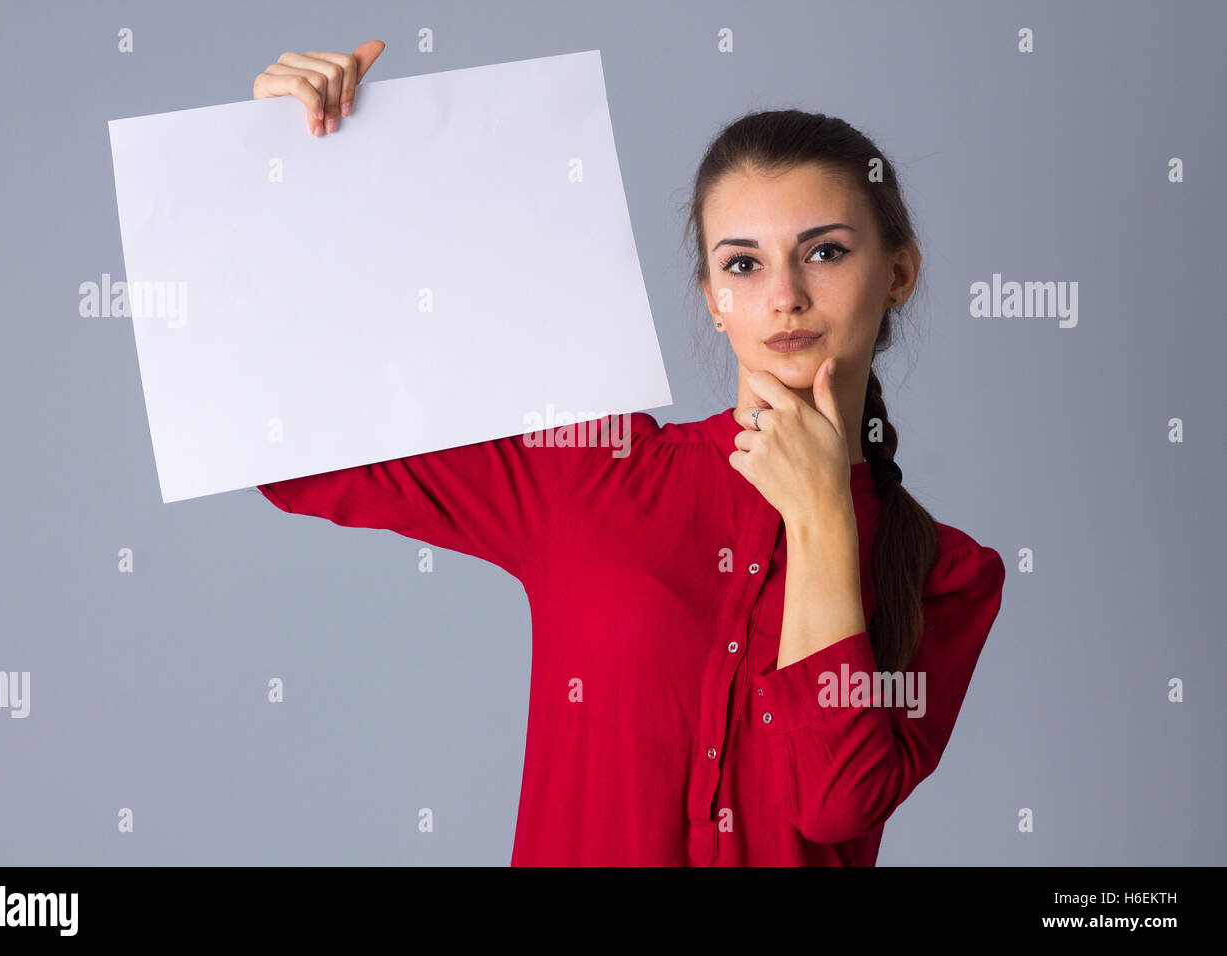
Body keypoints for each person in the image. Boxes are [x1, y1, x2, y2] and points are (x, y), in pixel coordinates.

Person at [252, 43, 1007, 866]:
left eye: (824, 252)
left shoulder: (948, 574)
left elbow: (835, 804)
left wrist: (823, 516)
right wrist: (280, 166)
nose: (784, 295)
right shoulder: (591, 472)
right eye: (744, 264)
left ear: (898, 273)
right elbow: (290, 446)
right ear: (712, 301)